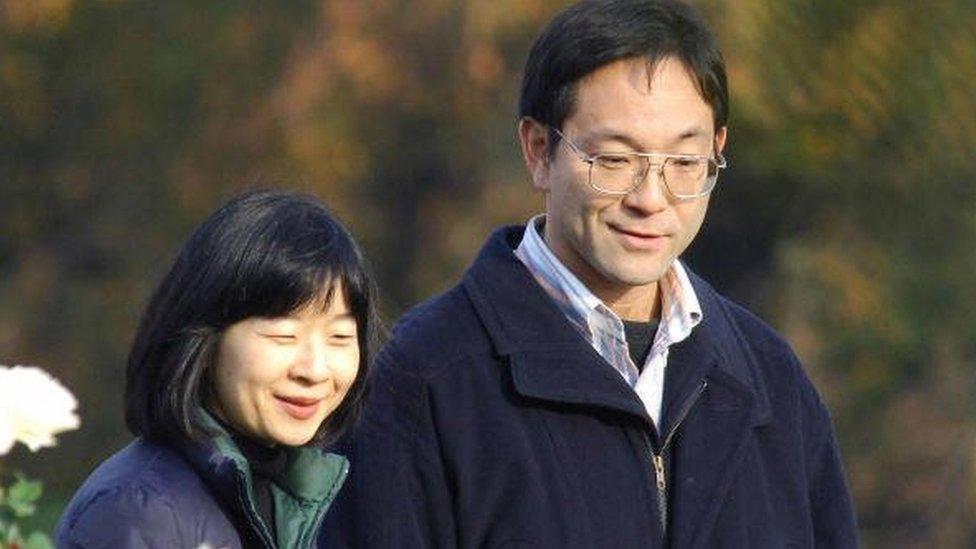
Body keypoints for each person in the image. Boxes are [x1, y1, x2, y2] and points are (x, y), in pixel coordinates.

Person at [324, 1, 858, 548]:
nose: (651, 199)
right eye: (614, 160)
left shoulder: (769, 378)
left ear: (717, 152)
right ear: (539, 151)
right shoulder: (426, 377)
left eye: (684, 162)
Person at [55, 190, 378, 548]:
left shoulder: (301, 500)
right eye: (284, 335)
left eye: (339, 336)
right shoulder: (139, 512)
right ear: (205, 340)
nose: (315, 370)